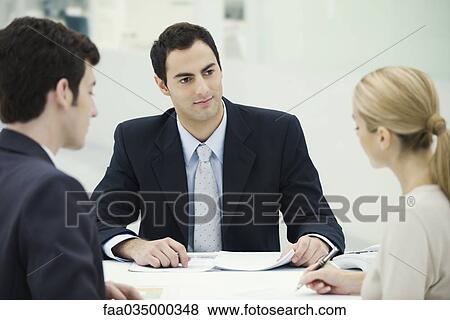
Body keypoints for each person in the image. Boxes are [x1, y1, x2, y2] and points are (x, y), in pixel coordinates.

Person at [93, 22, 345, 268]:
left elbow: (317, 218)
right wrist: (135, 246)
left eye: (208, 72)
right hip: (169, 284)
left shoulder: (278, 131)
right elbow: (95, 220)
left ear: (220, 69)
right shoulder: (135, 138)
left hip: (252, 288)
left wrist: (316, 242)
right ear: (162, 85)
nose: (202, 88)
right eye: (185, 79)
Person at [0, 17, 141, 299]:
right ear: (64, 92)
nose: (93, 110)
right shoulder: (53, 190)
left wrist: (87, 289)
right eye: (89, 91)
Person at [299, 66, 450, 299]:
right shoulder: (437, 199)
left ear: (382, 137)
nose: (357, 135)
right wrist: (350, 281)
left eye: (358, 126)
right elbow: (418, 279)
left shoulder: (412, 218)